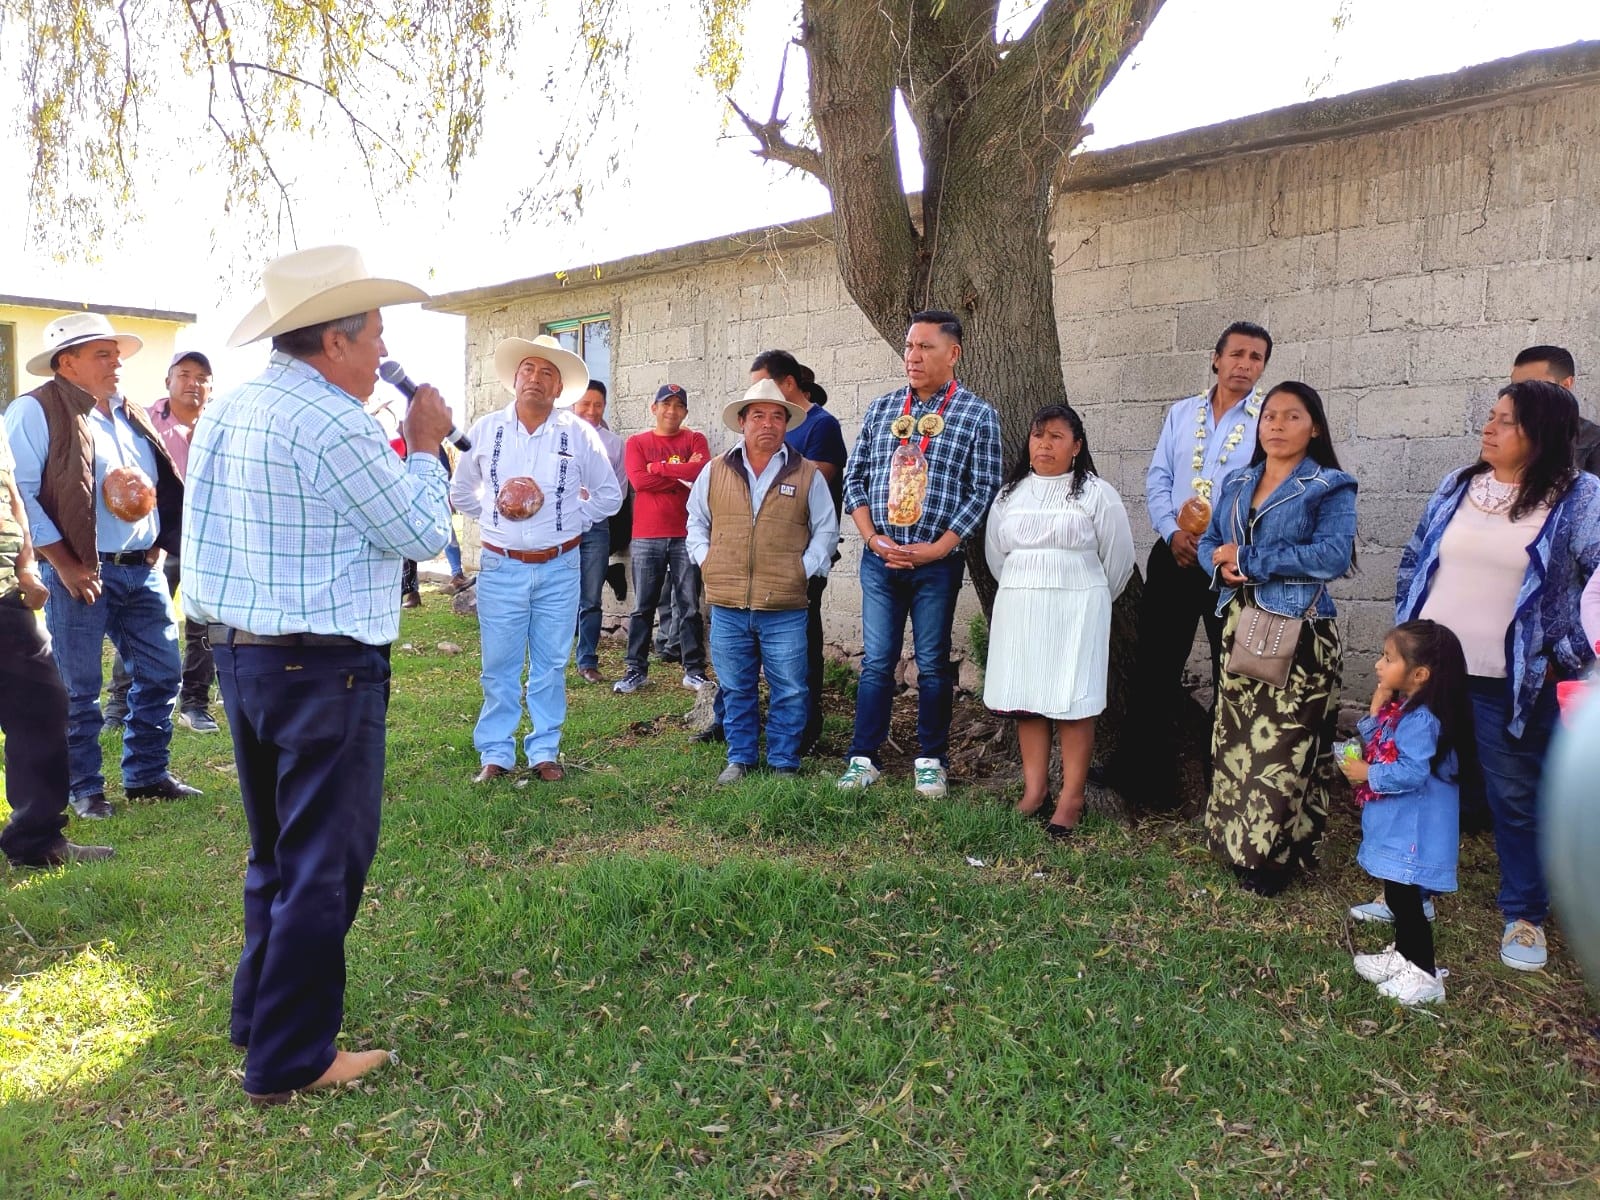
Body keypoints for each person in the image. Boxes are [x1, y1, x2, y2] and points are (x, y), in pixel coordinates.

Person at [184, 244, 455, 1103]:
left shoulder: (232, 407)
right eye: (373, 333)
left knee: (275, 852)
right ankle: (292, 1057)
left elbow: (200, 543)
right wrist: (420, 446)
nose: (382, 351)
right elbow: (419, 535)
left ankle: (259, 1019)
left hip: (241, 654)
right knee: (322, 864)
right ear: (334, 340)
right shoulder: (335, 420)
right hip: (323, 667)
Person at [1396, 379, 1600, 971]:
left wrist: (1564, 649)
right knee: (1425, 776)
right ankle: (1414, 889)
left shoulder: (1579, 496)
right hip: (1431, 670)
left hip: (1510, 678)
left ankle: (1525, 914)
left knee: (1514, 795)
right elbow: (1417, 556)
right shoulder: (1460, 485)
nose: (1489, 428)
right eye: (1491, 417)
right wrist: (1405, 633)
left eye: (1505, 421)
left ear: (1541, 432)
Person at [5, 312, 198, 821]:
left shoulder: (128, 412)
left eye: (116, 354)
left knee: (162, 673)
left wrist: (156, 541)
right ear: (67, 363)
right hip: (80, 572)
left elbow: (151, 480)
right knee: (80, 689)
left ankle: (146, 775)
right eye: (103, 354)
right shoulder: (34, 410)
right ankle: (85, 789)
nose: (117, 363)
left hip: (140, 567)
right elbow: (21, 492)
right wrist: (64, 564)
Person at [1096, 321, 1271, 813]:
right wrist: (1172, 532)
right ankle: (1138, 772)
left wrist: (1226, 544)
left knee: (1229, 670)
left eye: (1256, 358)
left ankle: (1227, 780)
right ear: (1216, 359)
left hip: (1229, 563)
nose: (1245, 365)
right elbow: (1159, 479)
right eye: (1236, 354)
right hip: (1174, 555)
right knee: (1155, 667)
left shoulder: (1265, 422)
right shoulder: (1182, 413)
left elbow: (1264, 490)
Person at [1200, 381, 1357, 897]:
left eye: (1292, 417)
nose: (1277, 426)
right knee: (1236, 740)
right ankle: (1234, 842)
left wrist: (1250, 562)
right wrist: (1219, 568)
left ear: (1314, 427)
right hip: (1238, 623)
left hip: (1299, 631)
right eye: (1269, 416)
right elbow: (1209, 544)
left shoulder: (1329, 485)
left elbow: (1331, 556)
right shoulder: (1239, 480)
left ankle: (1275, 857)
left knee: (1285, 748)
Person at [837, 309, 1002, 798]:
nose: (913, 356)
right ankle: (863, 757)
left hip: (937, 563)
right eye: (909, 346)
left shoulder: (977, 414)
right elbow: (854, 477)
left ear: (953, 354)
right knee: (877, 661)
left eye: (926, 347)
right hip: (881, 559)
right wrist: (871, 538)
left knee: (931, 663)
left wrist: (939, 548)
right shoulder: (883, 409)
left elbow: (983, 489)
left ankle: (931, 759)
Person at [452, 338, 622, 782]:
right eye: (528, 369)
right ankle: (496, 752)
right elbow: (459, 492)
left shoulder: (578, 434)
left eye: (547, 372)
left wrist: (572, 518)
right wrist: (495, 516)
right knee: (500, 664)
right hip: (501, 564)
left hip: (559, 566)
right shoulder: (486, 429)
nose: (535, 378)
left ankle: (544, 749)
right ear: (514, 379)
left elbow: (609, 494)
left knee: (550, 663)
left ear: (559, 386)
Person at [983, 404, 1134, 837]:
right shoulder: (1009, 495)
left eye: (1056, 437)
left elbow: (1118, 559)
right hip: (1021, 607)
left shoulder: (1096, 494)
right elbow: (997, 557)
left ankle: (1071, 796)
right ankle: (1034, 791)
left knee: (1073, 701)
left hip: (1079, 607)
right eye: (1037, 436)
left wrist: (1088, 596)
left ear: (1076, 446)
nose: (1044, 444)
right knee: (1027, 699)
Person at [695, 353, 848, 751]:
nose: (767, 424)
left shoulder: (808, 464)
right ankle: (739, 752)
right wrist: (705, 557)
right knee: (735, 680)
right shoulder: (715, 470)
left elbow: (826, 526)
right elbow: (695, 520)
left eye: (776, 416)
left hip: (785, 592)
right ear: (742, 422)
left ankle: (786, 755)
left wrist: (805, 568)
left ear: (787, 419)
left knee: (791, 682)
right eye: (757, 415)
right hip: (729, 593)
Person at [1338, 620, 1471, 1006]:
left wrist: (1368, 773)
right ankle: (1404, 957)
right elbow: (1383, 743)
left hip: (1413, 833)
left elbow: (1411, 771)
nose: (1379, 665)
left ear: (1420, 674)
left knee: (1408, 904)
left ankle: (1425, 975)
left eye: (1388, 658)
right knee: (1398, 898)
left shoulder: (1421, 721)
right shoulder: (1405, 712)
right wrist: (1375, 711)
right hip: (1399, 826)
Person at [0, 418, 114, 869]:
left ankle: (35, 840)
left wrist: (27, 567)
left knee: (44, 707)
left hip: (7, 596)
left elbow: (12, 499)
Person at [106, 349, 219, 733]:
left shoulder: (219, 426)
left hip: (207, 541)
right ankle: (119, 706)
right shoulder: (142, 421)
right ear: (168, 381)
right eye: (184, 374)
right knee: (143, 622)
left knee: (205, 622)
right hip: (156, 542)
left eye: (202, 377)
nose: (193, 383)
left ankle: (195, 703)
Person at [614, 383, 710, 693]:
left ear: (684, 411)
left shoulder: (695, 439)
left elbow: (702, 472)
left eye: (678, 405)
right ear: (654, 408)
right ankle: (635, 670)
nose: (671, 410)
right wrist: (678, 478)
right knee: (643, 606)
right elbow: (639, 481)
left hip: (686, 534)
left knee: (690, 606)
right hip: (646, 536)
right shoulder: (637, 442)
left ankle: (694, 669)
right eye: (665, 405)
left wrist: (661, 469)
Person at [571, 379, 627, 683]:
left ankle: (587, 660)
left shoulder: (614, 444)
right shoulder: (559, 437)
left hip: (596, 529)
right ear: (573, 405)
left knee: (590, 598)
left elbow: (616, 494)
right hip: (559, 529)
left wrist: (589, 504)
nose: (591, 411)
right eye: (585, 404)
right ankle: (550, 659)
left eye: (598, 405)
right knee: (556, 596)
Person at [1510, 345, 1600, 476]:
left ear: (1565, 385)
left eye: (1533, 386)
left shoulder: (1593, 441)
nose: (1519, 395)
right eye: (1514, 387)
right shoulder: (1503, 431)